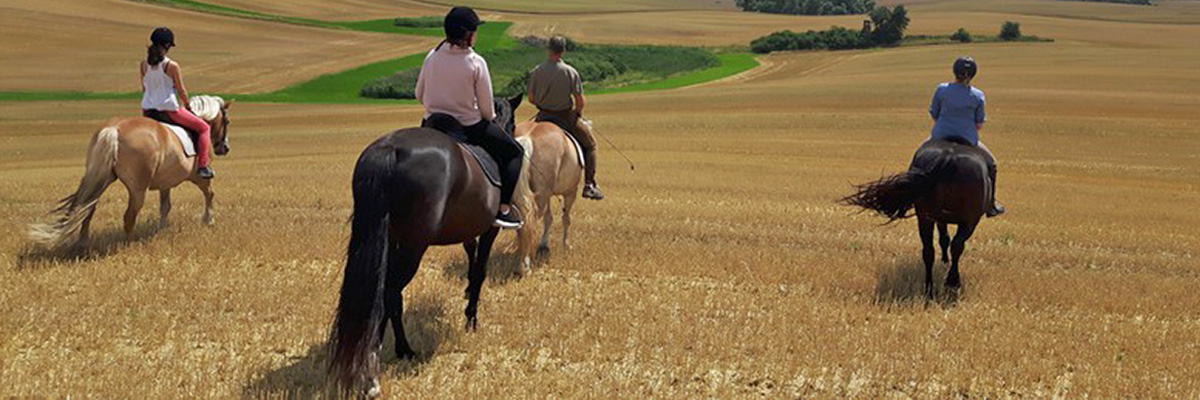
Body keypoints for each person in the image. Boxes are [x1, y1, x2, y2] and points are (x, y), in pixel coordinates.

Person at [415, 7, 524, 228]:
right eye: (475, 30)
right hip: (467, 126)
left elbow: (419, 94)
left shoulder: (431, 56)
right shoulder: (476, 62)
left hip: (431, 124)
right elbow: (487, 111)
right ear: (468, 34)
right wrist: (490, 116)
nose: (477, 34)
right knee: (515, 152)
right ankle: (503, 209)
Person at [527, 36, 605, 200]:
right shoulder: (570, 72)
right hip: (565, 117)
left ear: (548, 50)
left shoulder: (537, 71)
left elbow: (531, 98)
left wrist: (543, 103)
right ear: (563, 51)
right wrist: (577, 112)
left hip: (543, 116)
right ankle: (589, 185)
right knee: (591, 145)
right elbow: (580, 101)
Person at [929, 56, 1005, 217]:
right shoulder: (978, 95)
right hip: (967, 140)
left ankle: (912, 196)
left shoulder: (941, 89)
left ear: (954, 71)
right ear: (973, 74)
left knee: (918, 159)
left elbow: (934, 114)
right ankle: (990, 205)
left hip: (939, 137)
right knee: (992, 164)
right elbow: (979, 123)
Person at [140, 27, 214, 179]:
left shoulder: (143, 65)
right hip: (169, 110)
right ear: (167, 46)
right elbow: (181, 90)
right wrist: (187, 105)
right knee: (204, 128)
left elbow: (144, 88)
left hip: (148, 111)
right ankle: (203, 166)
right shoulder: (171, 66)